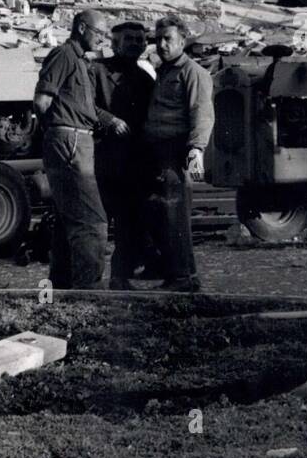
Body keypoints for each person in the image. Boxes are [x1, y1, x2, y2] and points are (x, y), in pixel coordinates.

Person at [33, 9, 111, 289]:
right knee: (92, 221)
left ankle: (63, 288)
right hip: (71, 141)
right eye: (99, 33)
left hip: (73, 139)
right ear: (80, 28)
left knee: (69, 220)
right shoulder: (64, 55)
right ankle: (88, 292)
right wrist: (59, 135)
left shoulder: (80, 61)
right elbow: (41, 102)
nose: (102, 39)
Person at [142, 15, 214, 293]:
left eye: (168, 39)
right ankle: (177, 276)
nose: (161, 44)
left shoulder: (193, 73)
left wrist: (196, 149)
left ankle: (183, 279)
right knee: (162, 214)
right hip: (159, 153)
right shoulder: (164, 71)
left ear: (182, 41)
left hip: (176, 151)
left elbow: (202, 113)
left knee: (176, 216)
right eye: (158, 39)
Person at [90, 21, 157, 288]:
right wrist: (109, 120)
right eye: (129, 39)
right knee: (98, 222)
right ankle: (88, 279)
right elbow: (84, 105)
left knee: (130, 222)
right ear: (114, 43)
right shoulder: (97, 72)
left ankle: (120, 276)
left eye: (140, 40)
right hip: (103, 158)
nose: (136, 45)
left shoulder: (144, 78)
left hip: (135, 161)